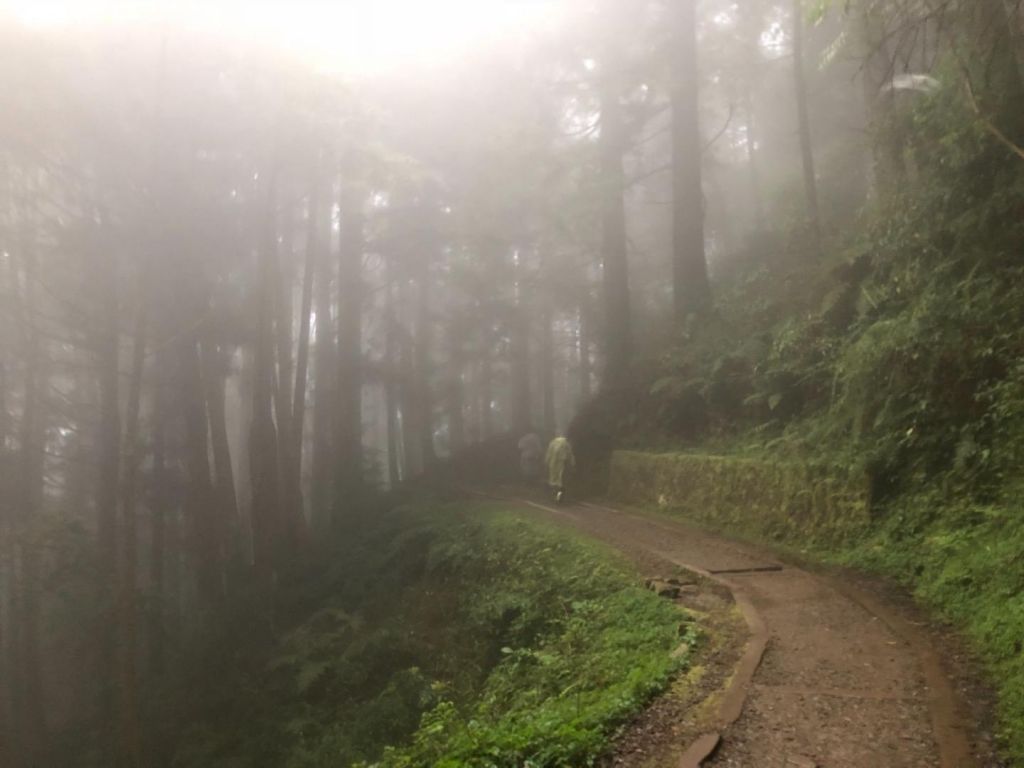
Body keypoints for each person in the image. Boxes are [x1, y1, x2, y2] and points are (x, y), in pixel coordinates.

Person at [545, 434, 575, 504]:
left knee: (553, 480)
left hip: (552, 464)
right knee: (561, 482)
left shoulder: (552, 442)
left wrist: (546, 462)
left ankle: (553, 496)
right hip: (562, 464)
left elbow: (548, 453)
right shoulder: (566, 443)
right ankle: (558, 497)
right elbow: (570, 454)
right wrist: (572, 464)